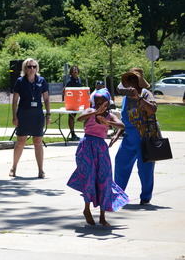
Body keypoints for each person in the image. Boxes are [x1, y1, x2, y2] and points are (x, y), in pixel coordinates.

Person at [67, 89, 128, 226]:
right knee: (89, 178)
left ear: (107, 102)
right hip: (87, 146)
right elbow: (80, 118)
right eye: (97, 100)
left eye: (102, 100)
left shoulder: (110, 116)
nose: (99, 103)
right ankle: (87, 209)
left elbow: (122, 126)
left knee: (104, 179)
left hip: (101, 148)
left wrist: (108, 124)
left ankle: (102, 216)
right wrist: (95, 113)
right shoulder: (90, 111)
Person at [111, 68, 158, 205]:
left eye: (134, 79)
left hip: (145, 138)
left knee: (145, 170)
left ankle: (145, 197)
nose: (131, 82)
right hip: (129, 139)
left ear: (139, 82)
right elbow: (125, 120)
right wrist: (117, 134)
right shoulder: (126, 98)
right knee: (120, 164)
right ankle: (118, 195)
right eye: (130, 79)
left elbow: (153, 110)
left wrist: (139, 98)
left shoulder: (146, 94)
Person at [9, 58, 51, 178]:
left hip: (37, 114)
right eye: (29, 67)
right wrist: (14, 116)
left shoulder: (41, 81)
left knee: (38, 141)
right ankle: (14, 167)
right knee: (20, 142)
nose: (32, 69)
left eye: (34, 66)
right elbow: (15, 100)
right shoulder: (20, 81)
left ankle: (40, 170)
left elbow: (47, 98)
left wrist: (48, 115)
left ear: (37, 68)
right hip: (23, 113)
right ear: (25, 69)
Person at [63, 65, 82, 141]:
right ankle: (72, 133)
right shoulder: (70, 81)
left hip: (78, 101)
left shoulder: (79, 80)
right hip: (71, 101)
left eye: (76, 70)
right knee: (71, 116)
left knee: (76, 116)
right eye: (73, 70)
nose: (75, 71)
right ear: (71, 72)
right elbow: (65, 91)